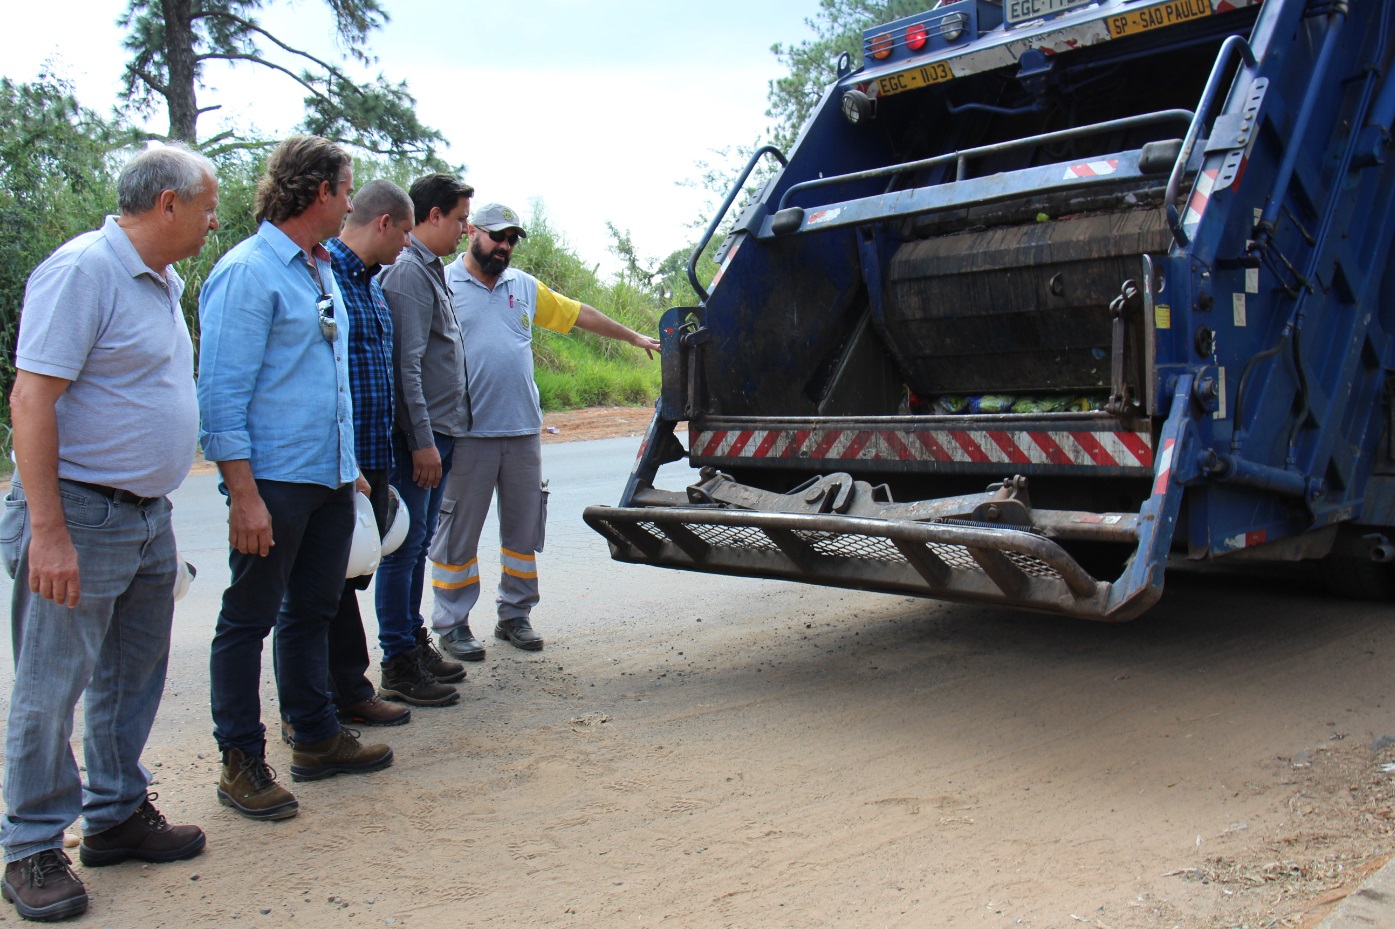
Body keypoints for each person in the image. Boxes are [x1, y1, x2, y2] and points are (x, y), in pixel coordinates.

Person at [0, 144, 217, 922]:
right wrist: (48, 533)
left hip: (143, 514)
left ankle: (117, 814)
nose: (212, 218)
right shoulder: (82, 270)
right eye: (205, 206)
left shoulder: (161, 280)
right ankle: (29, 845)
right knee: (50, 685)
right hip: (78, 513)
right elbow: (32, 400)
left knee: (132, 677)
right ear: (167, 204)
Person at [198, 135, 392, 824]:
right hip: (274, 482)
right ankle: (241, 761)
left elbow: (322, 373)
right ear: (319, 193)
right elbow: (221, 395)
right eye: (345, 189)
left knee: (312, 609)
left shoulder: (320, 270)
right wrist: (243, 494)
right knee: (247, 618)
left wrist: (351, 473)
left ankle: (313, 736)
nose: (349, 202)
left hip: (330, 478)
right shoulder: (247, 272)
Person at [430, 203, 660, 655]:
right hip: (466, 434)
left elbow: (579, 315)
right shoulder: (442, 284)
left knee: (522, 533)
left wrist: (633, 336)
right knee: (457, 533)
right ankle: (452, 623)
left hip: (520, 432)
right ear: (472, 231)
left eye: (512, 240)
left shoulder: (524, 287)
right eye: (498, 237)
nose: (505, 247)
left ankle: (515, 615)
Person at [307, 179, 417, 731]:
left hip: (371, 459)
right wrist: (347, 468)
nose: (406, 245)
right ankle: (315, 706)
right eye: (404, 233)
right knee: (316, 590)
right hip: (338, 466)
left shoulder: (372, 285)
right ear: (384, 224)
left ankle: (348, 689)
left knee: (347, 580)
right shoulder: (326, 279)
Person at [374, 174, 474, 704]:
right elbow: (405, 367)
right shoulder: (409, 273)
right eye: (458, 219)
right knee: (404, 549)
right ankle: (397, 659)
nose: (464, 230)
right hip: (423, 438)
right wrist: (421, 442)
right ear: (431, 216)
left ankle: (412, 643)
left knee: (417, 550)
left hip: (440, 432)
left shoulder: (429, 269)